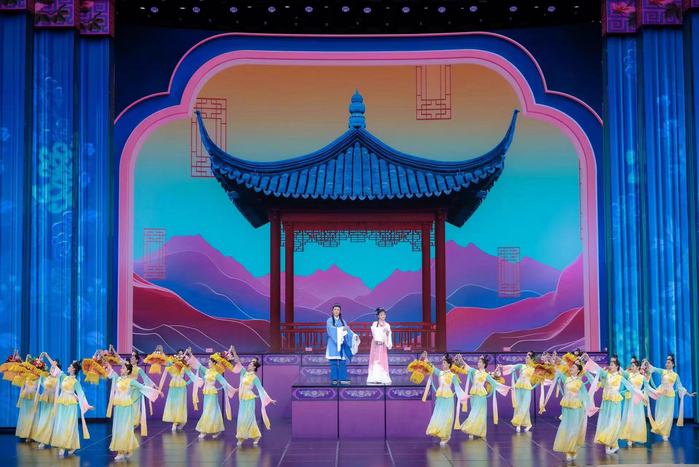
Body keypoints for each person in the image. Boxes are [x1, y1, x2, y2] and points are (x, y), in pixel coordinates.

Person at [584, 354, 641, 455]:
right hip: (606, 402)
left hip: (615, 402)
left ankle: (611, 444)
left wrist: (641, 395)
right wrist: (588, 359)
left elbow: (630, 387)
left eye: (612, 365)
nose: (610, 366)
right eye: (610, 364)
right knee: (605, 422)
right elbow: (598, 369)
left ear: (617, 367)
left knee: (613, 423)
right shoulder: (607, 375)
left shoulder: (620, 377)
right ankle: (612, 445)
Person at [106, 361, 161, 462]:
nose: (121, 369)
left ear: (128, 371)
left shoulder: (131, 381)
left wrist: (156, 391)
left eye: (123, 368)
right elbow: (110, 372)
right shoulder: (118, 379)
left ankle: (121, 452)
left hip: (126, 406)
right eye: (121, 368)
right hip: (118, 406)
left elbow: (142, 387)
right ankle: (127, 448)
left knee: (125, 428)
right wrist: (105, 363)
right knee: (118, 428)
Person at [545, 360, 596, 463]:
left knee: (574, 429)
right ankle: (568, 449)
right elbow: (558, 372)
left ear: (578, 371)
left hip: (577, 408)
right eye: (571, 367)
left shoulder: (580, 382)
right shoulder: (566, 379)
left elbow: (585, 396)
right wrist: (553, 362)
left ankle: (572, 449)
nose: (571, 368)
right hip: (567, 407)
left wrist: (590, 407)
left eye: (573, 368)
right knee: (566, 428)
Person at [643, 354, 696, 441]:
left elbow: (680, 387)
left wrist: (689, 394)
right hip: (662, 394)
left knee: (668, 415)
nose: (667, 364)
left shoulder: (675, 375)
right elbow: (653, 368)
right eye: (666, 362)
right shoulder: (663, 371)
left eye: (669, 363)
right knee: (660, 412)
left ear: (673, 364)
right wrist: (647, 363)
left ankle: (665, 433)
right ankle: (658, 428)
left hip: (670, 396)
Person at [230, 347, 276, 446]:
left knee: (249, 417)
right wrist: (233, 351)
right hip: (242, 399)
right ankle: (241, 437)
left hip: (249, 399)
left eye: (251, 364)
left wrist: (269, 399)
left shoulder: (255, 378)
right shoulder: (243, 373)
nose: (249, 365)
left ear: (254, 367)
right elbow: (238, 362)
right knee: (241, 418)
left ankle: (255, 436)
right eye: (249, 364)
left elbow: (261, 389)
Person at [49, 358, 94, 457]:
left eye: (70, 366)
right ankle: (65, 446)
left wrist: (87, 405)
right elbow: (55, 366)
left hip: (70, 405)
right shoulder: (64, 377)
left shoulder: (75, 381)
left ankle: (67, 446)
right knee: (61, 424)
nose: (68, 367)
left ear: (73, 369)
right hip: (62, 402)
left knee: (69, 425)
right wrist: (47, 355)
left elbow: (81, 394)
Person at [459, 355, 510, 439]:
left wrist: (506, 388)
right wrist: (461, 360)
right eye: (478, 362)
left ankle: (477, 431)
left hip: (481, 396)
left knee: (479, 414)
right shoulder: (474, 371)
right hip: (473, 395)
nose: (478, 363)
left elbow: (494, 383)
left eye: (479, 362)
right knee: (473, 412)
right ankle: (472, 430)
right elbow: (466, 366)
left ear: (483, 364)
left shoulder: (486, 375)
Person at [189, 350, 236, 440]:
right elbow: (198, 365)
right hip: (206, 393)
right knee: (211, 411)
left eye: (210, 362)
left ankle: (204, 431)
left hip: (212, 393)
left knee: (209, 411)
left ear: (214, 363)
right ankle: (217, 429)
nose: (208, 363)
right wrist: (191, 355)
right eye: (208, 362)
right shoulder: (207, 371)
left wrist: (232, 389)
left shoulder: (216, 374)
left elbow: (224, 383)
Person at [425, 354, 465, 447]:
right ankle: (439, 432)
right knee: (438, 415)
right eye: (442, 363)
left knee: (447, 417)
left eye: (444, 363)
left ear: (448, 364)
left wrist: (464, 396)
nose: (442, 364)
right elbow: (432, 368)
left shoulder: (452, 376)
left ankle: (446, 436)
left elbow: (457, 388)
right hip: (440, 398)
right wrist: (427, 360)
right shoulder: (440, 373)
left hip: (448, 398)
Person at [499, 351, 540, 432]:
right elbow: (512, 366)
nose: (526, 359)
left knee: (525, 406)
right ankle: (527, 424)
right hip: (519, 387)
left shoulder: (534, 369)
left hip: (527, 388)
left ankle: (518, 423)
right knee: (518, 405)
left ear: (532, 359)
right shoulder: (522, 366)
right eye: (526, 357)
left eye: (527, 358)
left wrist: (533, 387)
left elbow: (540, 379)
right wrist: (503, 366)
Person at [161, 348, 200, 432]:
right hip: (173, 386)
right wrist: (162, 352)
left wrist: (186, 383)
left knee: (180, 404)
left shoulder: (184, 366)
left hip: (181, 387)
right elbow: (166, 361)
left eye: (182, 354)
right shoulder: (172, 364)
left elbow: (192, 376)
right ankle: (177, 421)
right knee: (173, 404)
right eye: (179, 354)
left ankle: (177, 423)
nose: (181, 355)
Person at [30, 352, 61, 448]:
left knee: (51, 420)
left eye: (54, 366)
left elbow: (54, 366)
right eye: (51, 367)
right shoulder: (47, 376)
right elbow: (40, 377)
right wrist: (39, 362)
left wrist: (47, 356)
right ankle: (42, 440)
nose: (52, 367)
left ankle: (50, 440)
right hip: (45, 400)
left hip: (52, 401)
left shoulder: (58, 377)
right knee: (43, 420)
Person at [619, 356, 649, 447]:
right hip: (630, 398)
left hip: (638, 399)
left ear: (638, 367)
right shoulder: (629, 375)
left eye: (633, 366)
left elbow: (648, 388)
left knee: (638, 417)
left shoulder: (642, 377)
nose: (631, 367)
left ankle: (637, 436)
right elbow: (622, 374)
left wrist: (656, 393)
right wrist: (618, 366)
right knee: (629, 416)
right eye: (631, 366)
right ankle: (629, 437)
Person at [325, 304, 358, 386]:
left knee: (342, 361)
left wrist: (354, 336)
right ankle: (334, 379)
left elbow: (348, 331)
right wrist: (341, 329)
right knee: (333, 361)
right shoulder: (329, 320)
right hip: (333, 344)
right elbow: (330, 330)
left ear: (340, 311)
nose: (336, 311)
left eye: (338, 310)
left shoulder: (343, 321)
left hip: (342, 344)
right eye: (335, 309)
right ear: (332, 311)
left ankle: (342, 378)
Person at [367, 307, 392, 385]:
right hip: (375, 345)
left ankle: (382, 378)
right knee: (375, 360)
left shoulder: (387, 325)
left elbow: (389, 334)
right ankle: (375, 378)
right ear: (378, 316)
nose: (383, 316)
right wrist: (381, 332)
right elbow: (374, 334)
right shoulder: (375, 324)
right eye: (381, 315)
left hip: (382, 345)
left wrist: (387, 334)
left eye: (384, 314)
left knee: (382, 360)